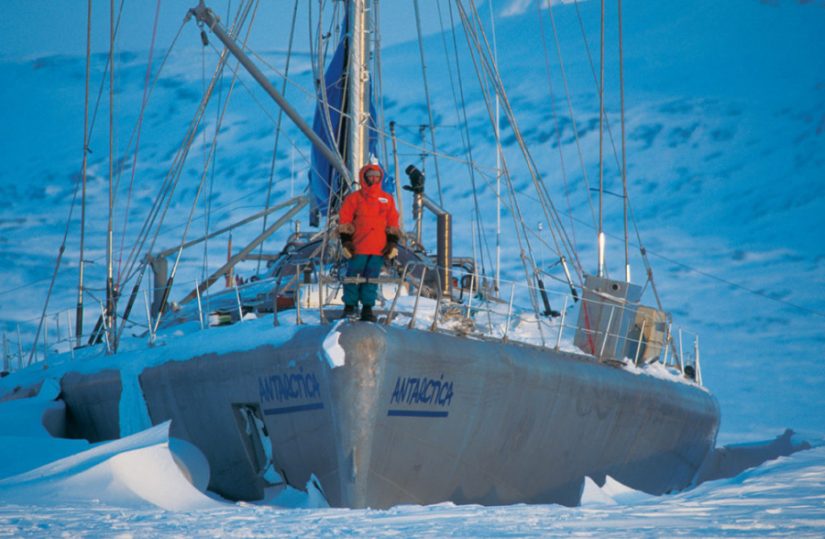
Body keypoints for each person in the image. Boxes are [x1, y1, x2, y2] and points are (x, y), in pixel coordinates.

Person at [338, 163, 401, 322]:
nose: (373, 179)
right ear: (364, 177)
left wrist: (392, 244)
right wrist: (346, 242)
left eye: (377, 176)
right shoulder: (354, 199)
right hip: (358, 247)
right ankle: (350, 306)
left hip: (379, 248)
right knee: (352, 276)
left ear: (380, 178)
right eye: (370, 175)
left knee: (372, 278)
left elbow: (393, 222)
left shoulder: (387, 200)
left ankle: (367, 307)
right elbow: (345, 220)